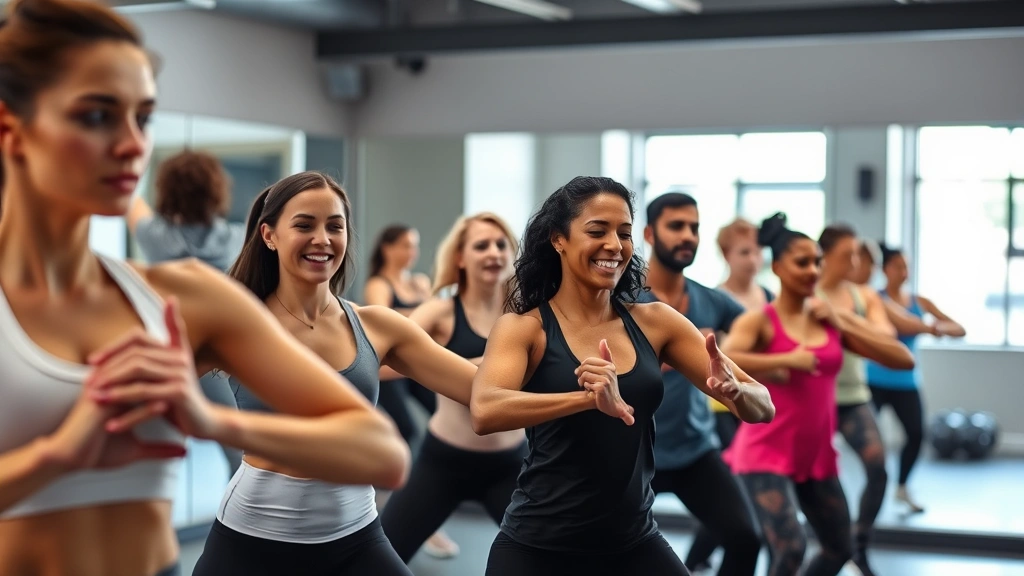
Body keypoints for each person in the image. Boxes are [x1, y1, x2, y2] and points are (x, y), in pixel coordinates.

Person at [0, 3, 409, 575]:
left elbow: (383, 453)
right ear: (11, 130)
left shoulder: (189, 296)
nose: (132, 144)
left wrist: (210, 421)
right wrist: (58, 455)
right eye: (96, 116)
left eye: (144, 118)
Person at [470, 176, 775, 576]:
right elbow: (485, 409)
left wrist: (737, 392)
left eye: (624, 233)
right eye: (598, 231)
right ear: (558, 239)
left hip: (633, 541)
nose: (615, 245)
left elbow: (763, 407)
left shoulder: (656, 321)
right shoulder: (525, 328)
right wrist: (585, 399)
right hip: (538, 546)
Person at [191, 172, 478, 576]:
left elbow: (480, 388)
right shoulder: (236, 325)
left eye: (335, 226)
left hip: (355, 536)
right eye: (304, 225)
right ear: (269, 235)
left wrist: (547, 354)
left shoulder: (377, 327)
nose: (322, 239)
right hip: (253, 537)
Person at [721, 213, 915, 576]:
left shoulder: (829, 319)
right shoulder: (760, 320)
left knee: (839, 548)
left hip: (815, 455)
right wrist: (785, 359)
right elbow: (724, 357)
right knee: (790, 550)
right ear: (777, 268)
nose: (812, 270)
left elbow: (903, 358)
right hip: (766, 451)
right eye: (802, 262)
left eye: (817, 262)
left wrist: (841, 321)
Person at [380, 212, 529, 563]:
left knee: (550, 562)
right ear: (460, 257)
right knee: (382, 558)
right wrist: (451, 366)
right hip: (443, 462)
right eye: (481, 246)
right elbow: (382, 363)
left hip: (511, 465)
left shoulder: (528, 315)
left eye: (501, 245)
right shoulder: (440, 312)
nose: (493, 253)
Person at [641, 193, 761, 576]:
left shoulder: (710, 301)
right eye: (676, 226)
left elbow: (762, 330)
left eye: (694, 228)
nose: (687, 236)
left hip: (695, 450)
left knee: (745, 539)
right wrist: (669, 356)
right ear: (649, 234)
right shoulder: (624, 300)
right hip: (636, 454)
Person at [126, 150, 244, 475]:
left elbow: (132, 202)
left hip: (164, 357)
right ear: (216, 190)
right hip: (216, 361)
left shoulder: (156, 236)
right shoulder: (236, 238)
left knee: (157, 452)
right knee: (238, 456)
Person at [364, 223, 457, 557]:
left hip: (415, 370)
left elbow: (434, 318)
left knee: (446, 417)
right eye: (405, 245)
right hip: (389, 372)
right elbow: (384, 320)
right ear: (388, 248)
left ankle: (412, 506)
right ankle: (404, 508)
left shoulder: (418, 282)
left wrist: (418, 313)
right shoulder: (379, 284)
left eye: (414, 245)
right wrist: (423, 314)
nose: (412, 252)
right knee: (407, 432)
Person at [817, 224, 902, 576]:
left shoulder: (862, 295)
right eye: (846, 255)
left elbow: (886, 334)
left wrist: (842, 320)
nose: (854, 262)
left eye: (856, 254)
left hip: (853, 397)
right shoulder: (807, 291)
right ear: (825, 256)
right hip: (815, 401)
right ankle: (829, 543)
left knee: (878, 468)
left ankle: (859, 545)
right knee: (813, 478)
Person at [866, 243, 965, 514]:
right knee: (869, 441)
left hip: (906, 382)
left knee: (916, 434)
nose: (904, 272)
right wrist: (930, 328)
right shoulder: (874, 299)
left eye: (907, 266)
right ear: (885, 269)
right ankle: (871, 490)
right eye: (898, 266)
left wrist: (937, 327)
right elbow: (901, 324)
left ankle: (902, 487)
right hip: (875, 380)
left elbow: (959, 329)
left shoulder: (920, 302)